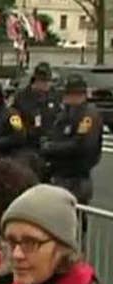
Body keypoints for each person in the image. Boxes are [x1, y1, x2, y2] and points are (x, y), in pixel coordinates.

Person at [40, 74, 102, 205]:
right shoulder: (66, 113)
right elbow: (54, 132)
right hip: (58, 172)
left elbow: (81, 145)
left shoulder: (88, 115)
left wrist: (51, 148)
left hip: (76, 177)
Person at [11, 63, 60, 155]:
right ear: (36, 81)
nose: (46, 84)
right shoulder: (22, 97)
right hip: (28, 145)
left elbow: (58, 116)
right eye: (42, 81)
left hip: (50, 143)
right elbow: (14, 119)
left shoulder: (54, 96)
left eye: (47, 81)